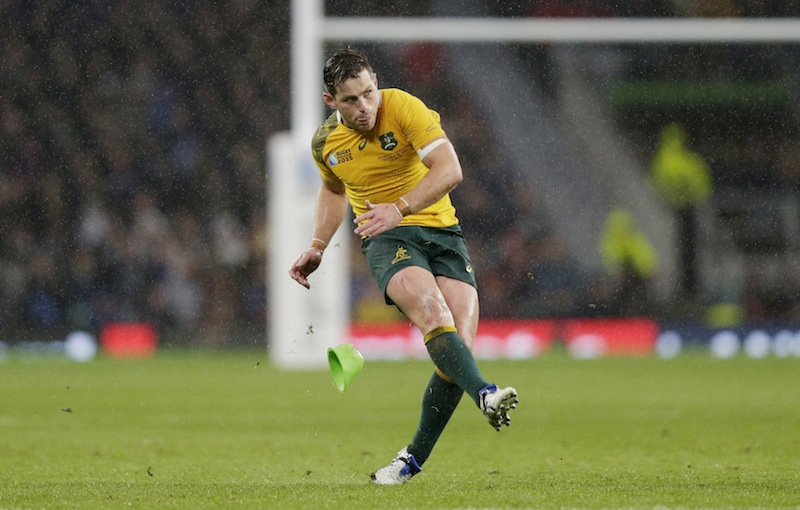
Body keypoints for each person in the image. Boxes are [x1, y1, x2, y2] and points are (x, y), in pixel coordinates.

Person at [288, 48, 518, 485]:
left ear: (376, 82)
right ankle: (487, 394)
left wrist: (400, 207)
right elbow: (334, 191)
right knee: (432, 311)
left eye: (368, 93)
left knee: (458, 351)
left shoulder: (404, 107)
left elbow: (450, 169)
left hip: (442, 232)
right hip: (387, 238)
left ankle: (409, 461)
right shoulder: (325, 144)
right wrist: (318, 245)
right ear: (330, 101)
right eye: (351, 99)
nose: (364, 106)